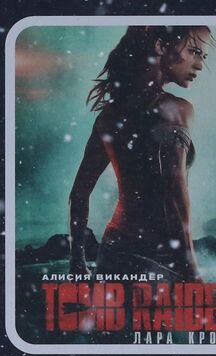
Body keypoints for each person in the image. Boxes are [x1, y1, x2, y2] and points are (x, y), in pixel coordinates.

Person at [70, 25, 211, 282]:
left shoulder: (108, 116)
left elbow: (79, 193)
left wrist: (77, 260)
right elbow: (174, 193)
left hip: (112, 253)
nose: (200, 64)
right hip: (159, 258)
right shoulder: (174, 109)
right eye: (193, 51)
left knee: (116, 323)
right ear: (160, 47)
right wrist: (191, 269)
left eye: (204, 56)